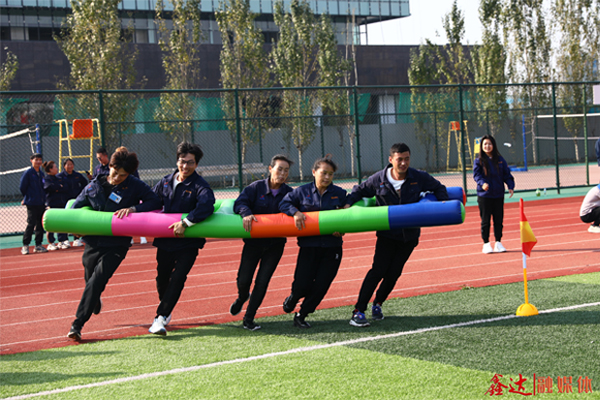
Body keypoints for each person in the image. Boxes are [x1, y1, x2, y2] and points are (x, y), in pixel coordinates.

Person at [344, 143, 448, 327]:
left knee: (394, 274)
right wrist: (348, 204)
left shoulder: (418, 176)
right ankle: (358, 311)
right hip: (387, 236)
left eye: (407, 159)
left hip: (409, 236)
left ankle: (378, 304)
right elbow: (358, 190)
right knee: (378, 271)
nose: (403, 163)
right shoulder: (379, 179)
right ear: (391, 160)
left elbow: (439, 188)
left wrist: (443, 204)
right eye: (399, 159)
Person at [67, 149, 161, 341]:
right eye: (115, 172)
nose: (118, 178)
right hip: (93, 241)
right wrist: (75, 229)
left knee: (97, 280)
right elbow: (77, 206)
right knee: (90, 277)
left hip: (117, 243)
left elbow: (155, 201)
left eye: (123, 175)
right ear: (110, 166)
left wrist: (133, 208)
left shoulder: (134, 185)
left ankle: (77, 324)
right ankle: (94, 299)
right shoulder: (94, 185)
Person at [149, 142, 215, 336]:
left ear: (196, 164)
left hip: (188, 242)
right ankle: (166, 307)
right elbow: (152, 200)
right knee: (162, 279)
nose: (185, 166)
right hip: (165, 240)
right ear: (177, 161)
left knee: (178, 278)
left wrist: (186, 223)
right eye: (182, 161)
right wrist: (134, 208)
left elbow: (207, 206)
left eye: (190, 163)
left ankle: (160, 318)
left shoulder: (200, 185)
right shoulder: (166, 181)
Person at [279, 157, 347, 329]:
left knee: (321, 286)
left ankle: (302, 314)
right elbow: (284, 203)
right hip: (309, 247)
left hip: (332, 247)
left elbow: (349, 212)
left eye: (330, 174)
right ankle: (294, 297)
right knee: (302, 284)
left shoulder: (340, 193)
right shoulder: (301, 192)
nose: (327, 177)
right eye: (324, 173)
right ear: (314, 172)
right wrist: (295, 212)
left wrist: (343, 227)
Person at [230, 155, 294, 331]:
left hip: (275, 245)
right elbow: (240, 203)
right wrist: (246, 213)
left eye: (286, 170)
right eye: (279, 169)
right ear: (270, 169)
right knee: (243, 280)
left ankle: (249, 318)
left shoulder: (290, 193)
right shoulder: (255, 188)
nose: (282, 173)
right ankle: (242, 297)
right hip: (253, 244)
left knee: (262, 281)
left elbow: (298, 206)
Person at [473, 135, 515, 254]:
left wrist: (510, 186)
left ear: (493, 145)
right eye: (485, 144)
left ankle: (498, 243)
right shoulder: (478, 161)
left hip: (498, 195)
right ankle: (486, 244)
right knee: (485, 220)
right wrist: (482, 184)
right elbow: (477, 175)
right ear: (482, 146)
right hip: (484, 196)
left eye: (489, 144)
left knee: (498, 220)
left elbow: (507, 174)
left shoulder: (500, 160)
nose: (487, 146)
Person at [19, 153, 47, 255]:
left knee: (40, 224)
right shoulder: (28, 173)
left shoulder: (41, 173)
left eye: (40, 160)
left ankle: (38, 245)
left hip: (41, 203)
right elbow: (22, 187)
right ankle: (25, 245)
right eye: (36, 160)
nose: (38, 162)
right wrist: (27, 197)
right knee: (31, 223)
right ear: (31, 160)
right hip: (32, 203)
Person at [57, 158, 88, 247]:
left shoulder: (77, 175)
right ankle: (63, 239)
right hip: (64, 201)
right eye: (68, 164)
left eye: (71, 164)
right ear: (64, 166)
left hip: (75, 201)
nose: (70, 166)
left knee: (76, 219)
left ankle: (76, 238)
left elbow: (85, 184)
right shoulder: (59, 176)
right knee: (63, 220)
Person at [42, 161, 69, 250]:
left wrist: (58, 187)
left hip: (61, 202)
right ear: (50, 169)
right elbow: (48, 187)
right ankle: (51, 242)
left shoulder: (58, 178)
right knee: (51, 223)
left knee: (62, 221)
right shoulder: (46, 179)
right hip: (52, 203)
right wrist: (58, 187)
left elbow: (65, 187)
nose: (57, 168)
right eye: (55, 167)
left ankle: (62, 240)